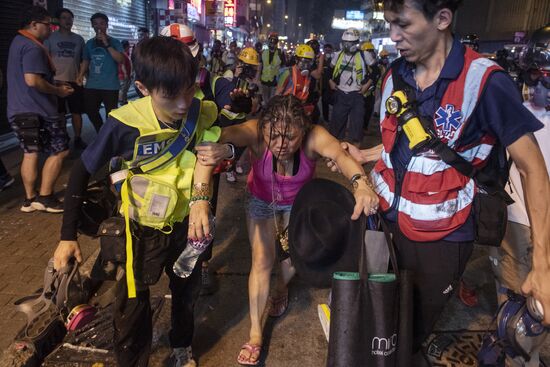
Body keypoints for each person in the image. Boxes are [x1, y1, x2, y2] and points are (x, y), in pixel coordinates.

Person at [339, 0, 550, 358]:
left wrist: (544, 264)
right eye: (390, 24)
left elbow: (533, 169)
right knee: (375, 317)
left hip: (441, 237)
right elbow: (406, 144)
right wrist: (366, 155)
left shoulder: (485, 82)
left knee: (412, 327)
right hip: (383, 221)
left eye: (403, 25)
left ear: (441, 19)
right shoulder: (394, 74)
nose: (393, 36)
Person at [52, 36, 221, 367]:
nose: (183, 104)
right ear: (143, 88)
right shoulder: (124, 122)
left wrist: (226, 149)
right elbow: (80, 174)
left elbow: (233, 133)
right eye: (170, 96)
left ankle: (181, 346)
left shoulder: (202, 109)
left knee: (186, 295)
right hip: (138, 231)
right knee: (132, 304)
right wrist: (66, 236)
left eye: (188, 89)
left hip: (188, 228)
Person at [195, 94, 379, 365]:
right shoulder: (255, 131)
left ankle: (280, 288)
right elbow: (210, 142)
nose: (281, 145)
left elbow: (341, 156)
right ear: (264, 128)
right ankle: (255, 334)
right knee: (262, 260)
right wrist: (201, 197)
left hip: (300, 204)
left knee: (299, 256)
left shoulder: (314, 135)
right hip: (260, 200)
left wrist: (360, 183)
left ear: (302, 130)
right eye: (274, 136)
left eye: (290, 138)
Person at [7, 5, 74, 213]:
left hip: (18, 109)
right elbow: (33, 80)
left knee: (30, 153)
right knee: (61, 151)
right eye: (48, 25)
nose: (50, 29)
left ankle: (30, 199)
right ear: (34, 25)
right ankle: (46, 197)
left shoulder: (17, 42)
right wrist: (58, 91)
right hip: (39, 109)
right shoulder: (33, 47)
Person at [45, 7, 87, 149]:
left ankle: (78, 138)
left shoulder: (79, 39)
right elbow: (45, 59)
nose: (68, 20)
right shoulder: (50, 38)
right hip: (56, 82)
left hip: (74, 81)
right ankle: (63, 138)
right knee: (60, 113)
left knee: (76, 112)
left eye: (70, 18)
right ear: (58, 20)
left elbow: (84, 60)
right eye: (64, 17)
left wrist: (81, 76)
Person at [78, 13, 124, 132]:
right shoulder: (89, 43)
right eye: (96, 23)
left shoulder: (114, 42)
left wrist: (106, 44)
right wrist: (80, 75)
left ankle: (110, 136)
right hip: (92, 84)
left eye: (102, 23)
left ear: (107, 25)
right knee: (90, 110)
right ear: (92, 25)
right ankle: (101, 132)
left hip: (110, 85)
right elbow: (86, 60)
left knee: (111, 115)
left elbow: (120, 59)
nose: (99, 26)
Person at [328, 28, 373, 146]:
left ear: (356, 43)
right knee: (336, 125)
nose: (348, 45)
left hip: (357, 95)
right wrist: (330, 82)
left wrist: (366, 86)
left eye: (351, 43)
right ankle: (336, 151)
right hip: (341, 94)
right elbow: (329, 70)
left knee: (357, 126)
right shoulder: (337, 55)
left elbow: (376, 71)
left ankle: (355, 153)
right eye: (345, 42)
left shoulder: (364, 55)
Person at [276, 44, 319, 119]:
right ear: (296, 59)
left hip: (299, 110)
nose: (306, 65)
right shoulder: (287, 73)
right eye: (304, 61)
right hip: (286, 110)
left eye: (310, 62)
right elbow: (277, 94)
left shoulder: (307, 75)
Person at [259, 32, 286, 105]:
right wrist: (257, 78)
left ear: (276, 43)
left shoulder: (280, 53)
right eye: (271, 41)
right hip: (264, 81)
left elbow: (283, 68)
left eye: (274, 41)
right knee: (265, 102)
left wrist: (281, 82)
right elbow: (260, 66)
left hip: (275, 83)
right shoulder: (264, 52)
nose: (272, 43)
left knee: (272, 102)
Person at [359, 41, 381, 131]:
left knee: (368, 111)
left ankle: (364, 127)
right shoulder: (361, 64)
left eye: (372, 51)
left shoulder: (375, 65)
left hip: (370, 93)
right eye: (368, 51)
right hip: (361, 92)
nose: (371, 53)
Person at [321, 43, 335, 122]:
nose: (327, 52)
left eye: (329, 51)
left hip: (331, 84)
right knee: (324, 102)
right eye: (326, 50)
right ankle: (326, 118)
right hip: (323, 84)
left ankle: (333, 117)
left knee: (332, 101)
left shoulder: (333, 60)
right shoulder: (320, 59)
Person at [118, 40, 132, 105]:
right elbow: (122, 65)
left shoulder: (124, 53)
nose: (129, 47)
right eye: (128, 46)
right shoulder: (122, 54)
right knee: (123, 89)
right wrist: (126, 74)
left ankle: (124, 101)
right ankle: (121, 101)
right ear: (126, 46)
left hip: (124, 75)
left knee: (125, 89)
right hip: (123, 76)